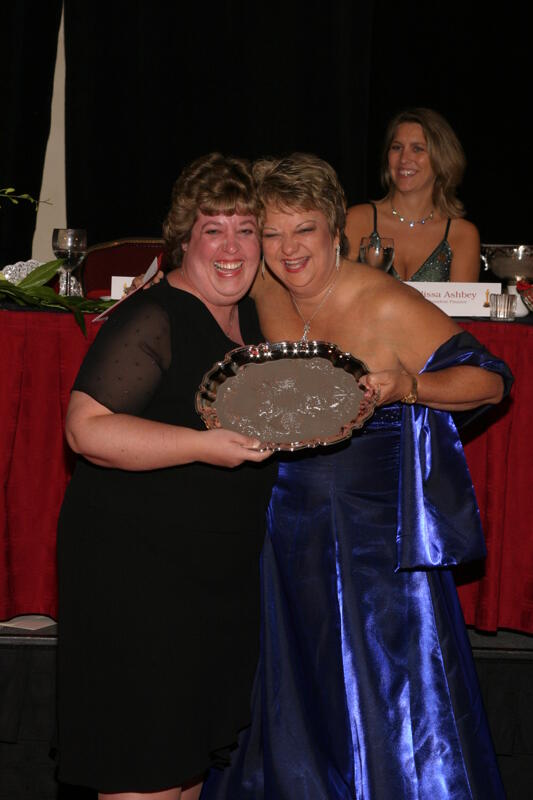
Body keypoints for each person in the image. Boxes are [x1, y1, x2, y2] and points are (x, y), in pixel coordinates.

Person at [199, 153, 511, 799]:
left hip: (369, 539)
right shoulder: (261, 286)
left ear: (334, 229)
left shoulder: (384, 302)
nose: (287, 249)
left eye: (303, 229)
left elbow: (488, 380)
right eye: (273, 232)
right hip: (278, 519)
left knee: (377, 686)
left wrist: (410, 385)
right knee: (285, 682)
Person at [56, 153, 278, 800]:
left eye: (245, 228)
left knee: (183, 770)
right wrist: (203, 446)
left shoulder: (249, 315)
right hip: (138, 578)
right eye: (214, 229)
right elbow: (86, 429)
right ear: (183, 239)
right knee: (143, 770)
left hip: (211, 579)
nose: (232, 247)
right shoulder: (154, 316)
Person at [345, 107, 481, 281]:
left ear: (442, 157)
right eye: (396, 147)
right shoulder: (357, 220)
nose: (404, 159)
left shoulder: (462, 235)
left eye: (417, 149)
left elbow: (465, 308)